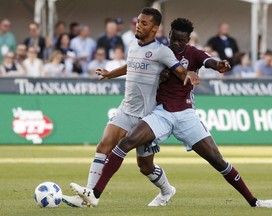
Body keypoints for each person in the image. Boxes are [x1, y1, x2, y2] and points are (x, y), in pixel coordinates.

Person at [69, 18, 272, 209]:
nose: (177, 44)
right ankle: (95, 194)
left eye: (181, 40)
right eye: (174, 38)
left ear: (188, 39)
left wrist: (220, 65)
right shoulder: (160, 51)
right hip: (161, 113)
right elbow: (133, 65)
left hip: (186, 115)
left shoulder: (194, 54)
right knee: (126, 143)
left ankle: (254, 201)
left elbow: (210, 62)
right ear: (169, 34)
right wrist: (112, 74)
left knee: (217, 160)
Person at [62, 7, 199, 208]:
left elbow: (180, 71)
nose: (139, 26)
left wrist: (190, 75)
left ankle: (167, 190)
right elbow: (131, 65)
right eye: (138, 22)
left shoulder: (163, 52)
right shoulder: (133, 45)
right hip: (126, 109)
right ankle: (89, 195)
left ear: (154, 28)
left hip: (147, 116)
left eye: (144, 23)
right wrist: (110, 74)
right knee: (104, 146)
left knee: (145, 166)